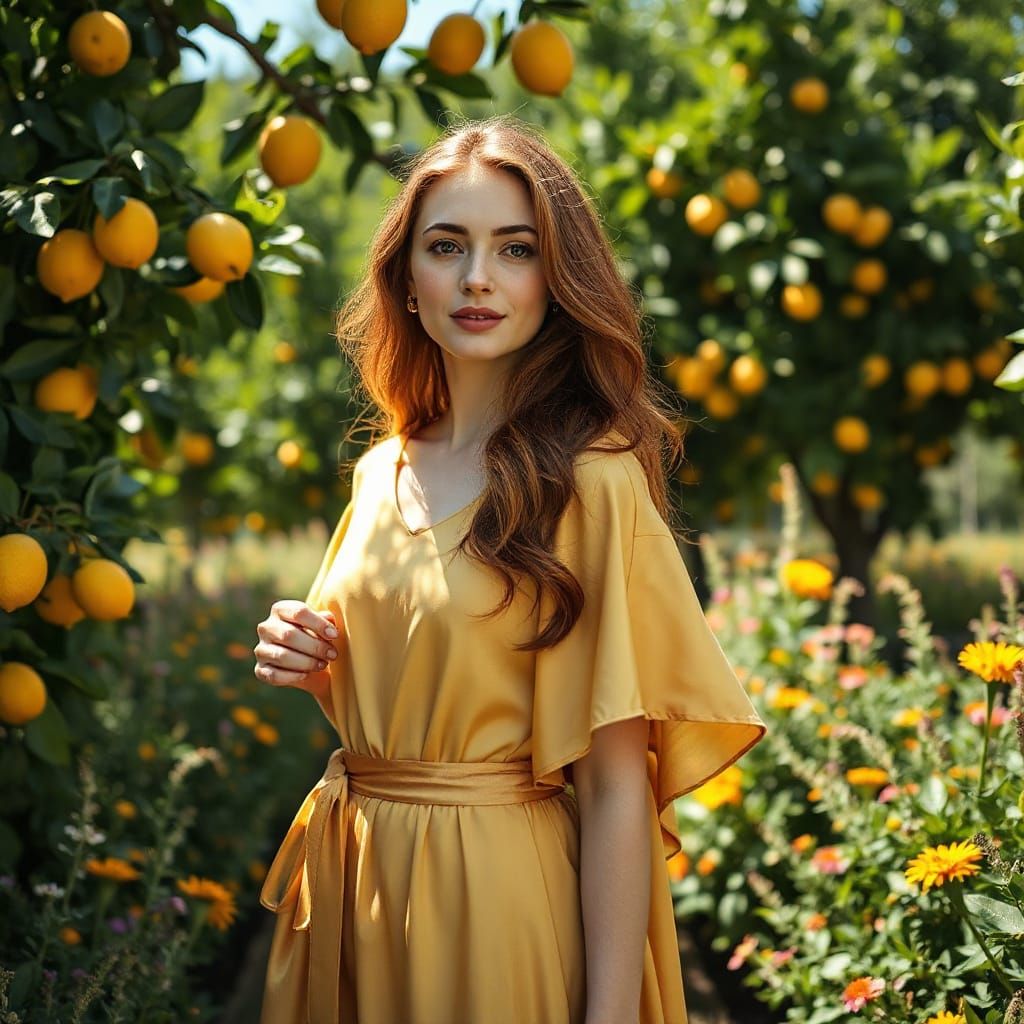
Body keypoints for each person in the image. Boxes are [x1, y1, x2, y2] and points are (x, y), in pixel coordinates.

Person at [253, 113, 768, 1024]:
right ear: (407, 281)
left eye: (515, 248)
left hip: (494, 903)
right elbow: (402, 685)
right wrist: (311, 658)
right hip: (355, 888)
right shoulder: (381, 472)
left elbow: (615, 788)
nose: (478, 278)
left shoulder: (595, 482)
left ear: (555, 281)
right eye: (447, 246)